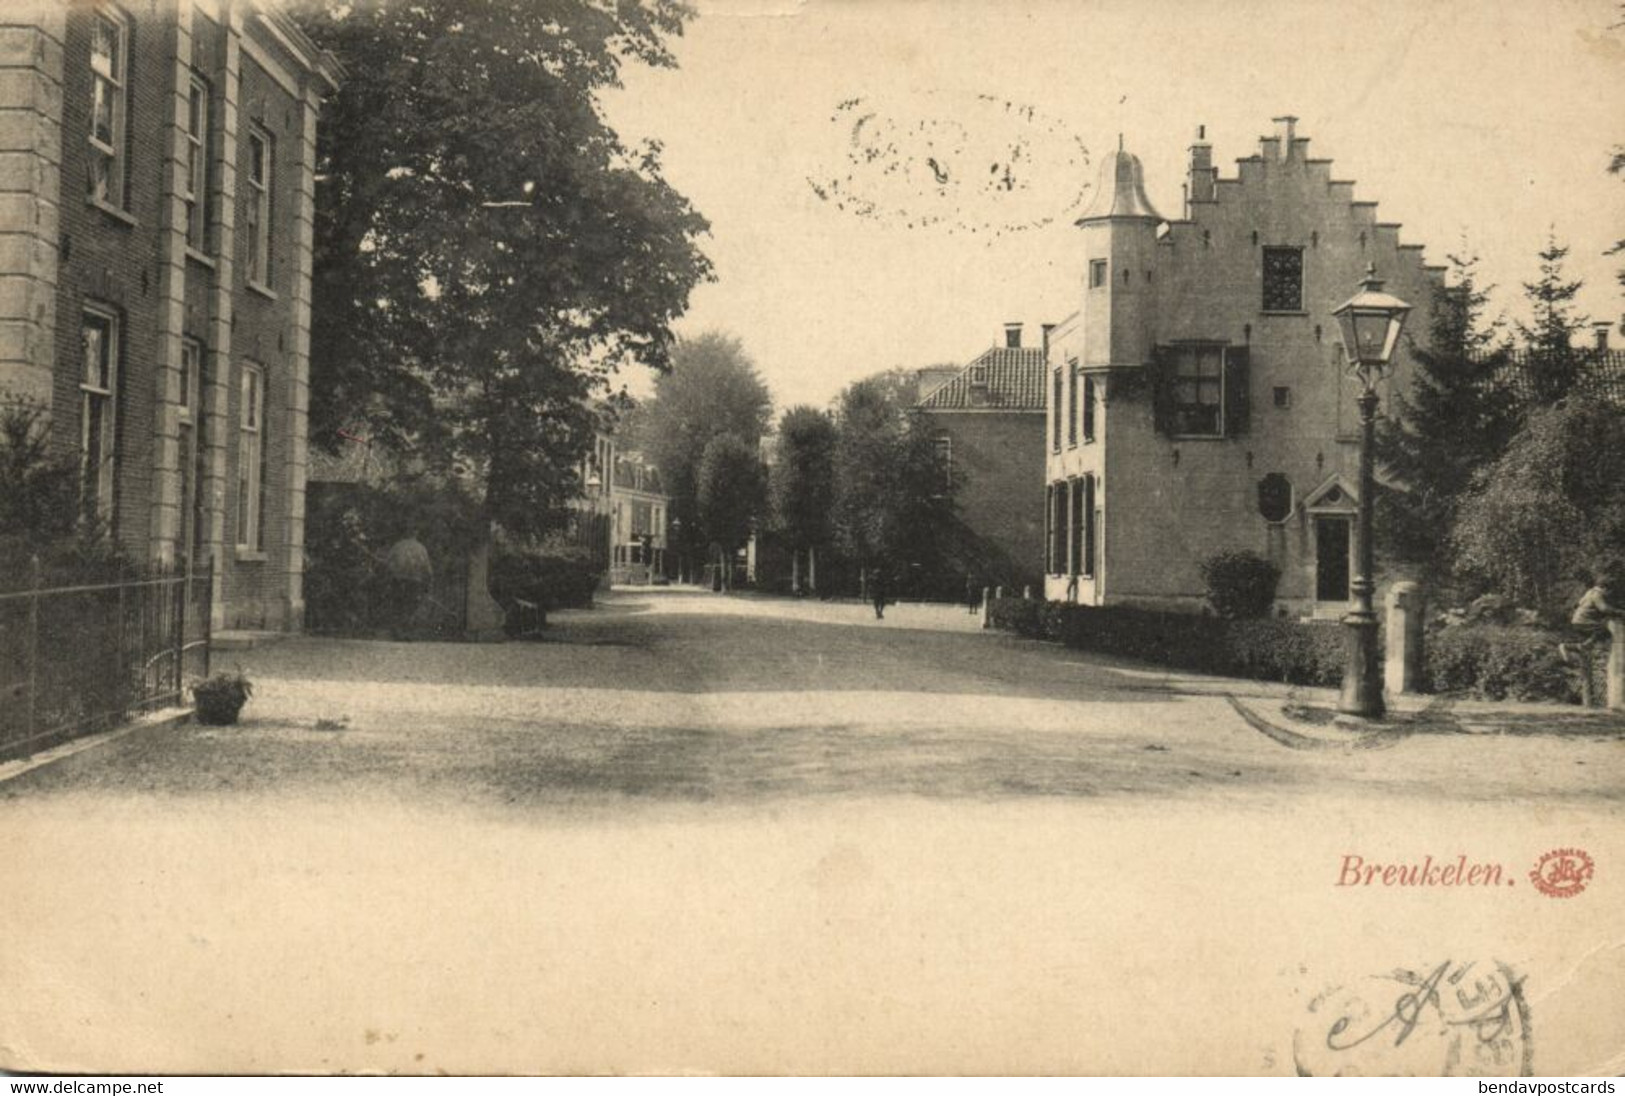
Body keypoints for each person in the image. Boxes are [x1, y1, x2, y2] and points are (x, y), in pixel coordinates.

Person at [1560, 570, 1623, 664]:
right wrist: (1620, 612)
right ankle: (1581, 646)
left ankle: (1575, 647)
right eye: (1608, 591)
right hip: (1584, 621)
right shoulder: (1597, 594)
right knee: (1605, 629)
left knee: (1586, 651)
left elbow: (1578, 604)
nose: (1607, 594)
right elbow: (1604, 608)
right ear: (1604, 588)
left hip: (1577, 621)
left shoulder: (1589, 592)